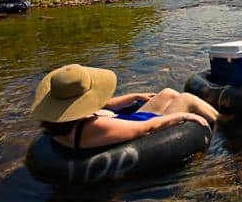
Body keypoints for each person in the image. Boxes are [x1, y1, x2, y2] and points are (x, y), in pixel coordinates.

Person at [31, 64, 219, 150]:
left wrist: (135, 96)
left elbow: (105, 104)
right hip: (145, 131)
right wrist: (183, 117)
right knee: (186, 98)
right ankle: (222, 122)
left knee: (168, 93)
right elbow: (147, 128)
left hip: (128, 121)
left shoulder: (63, 121)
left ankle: (214, 117)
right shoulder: (93, 127)